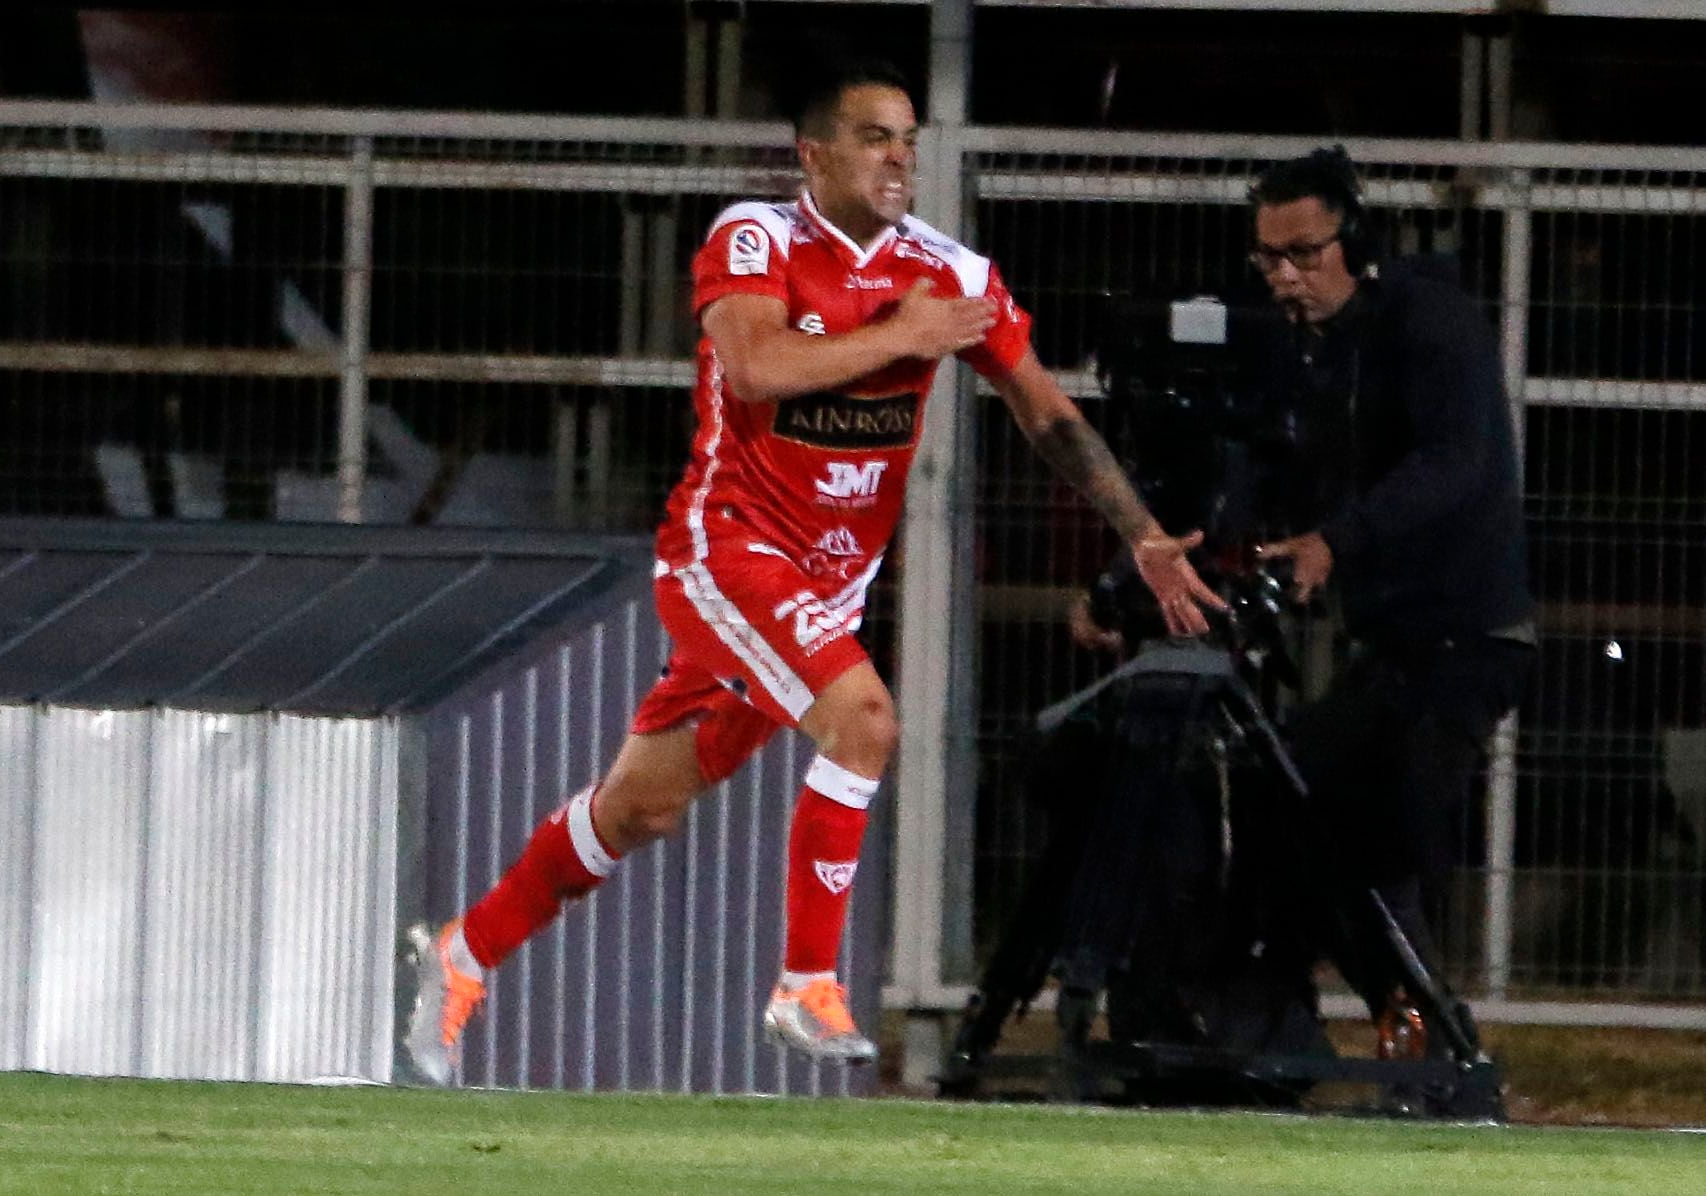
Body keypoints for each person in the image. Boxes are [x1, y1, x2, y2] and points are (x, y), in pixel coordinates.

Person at [403, 57, 1222, 1085]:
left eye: (910, 140)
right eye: (876, 136)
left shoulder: (952, 272)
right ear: (814, 153)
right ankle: (805, 981)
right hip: (727, 551)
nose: (899, 159)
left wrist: (1140, 533)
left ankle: (463, 951)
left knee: (638, 809)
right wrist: (903, 334)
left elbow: (1046, 411)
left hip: (825, 589)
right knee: (866, 718)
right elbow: (758, 369)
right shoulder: (755, 239)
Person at [1075, 146, 1534, 1063]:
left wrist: (1338, 542)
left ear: (1354, 243)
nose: (1285, 278)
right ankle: (1289, 1030)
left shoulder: (1428, 321)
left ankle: (1432, 1045)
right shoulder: (1314, 353)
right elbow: (1257, 475)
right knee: (1295, 813)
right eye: (1268, 260)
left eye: (1303, 254)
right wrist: (1141, 578)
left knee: (1374, 841)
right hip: (1396, 649)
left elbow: (1455, 462)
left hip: (1467, 639)